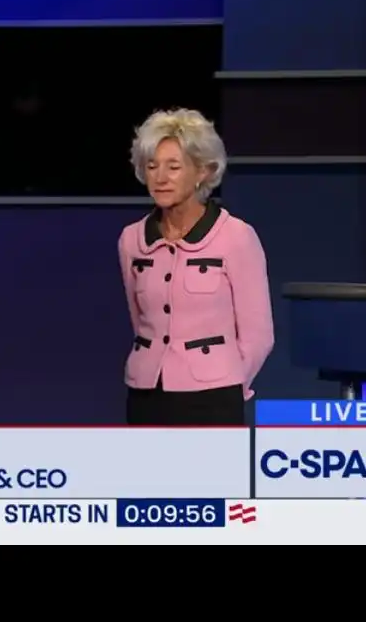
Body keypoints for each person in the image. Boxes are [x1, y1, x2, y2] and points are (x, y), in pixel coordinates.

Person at [117, 108, 273, 426]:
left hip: (214, 397)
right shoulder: (132, 240)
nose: (160, 178)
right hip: (145, 394)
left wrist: (227, 382)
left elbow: (258, 336)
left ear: (202, 171)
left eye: (173, 167)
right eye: (152, 166)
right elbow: (141, 320)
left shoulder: (236, 236)